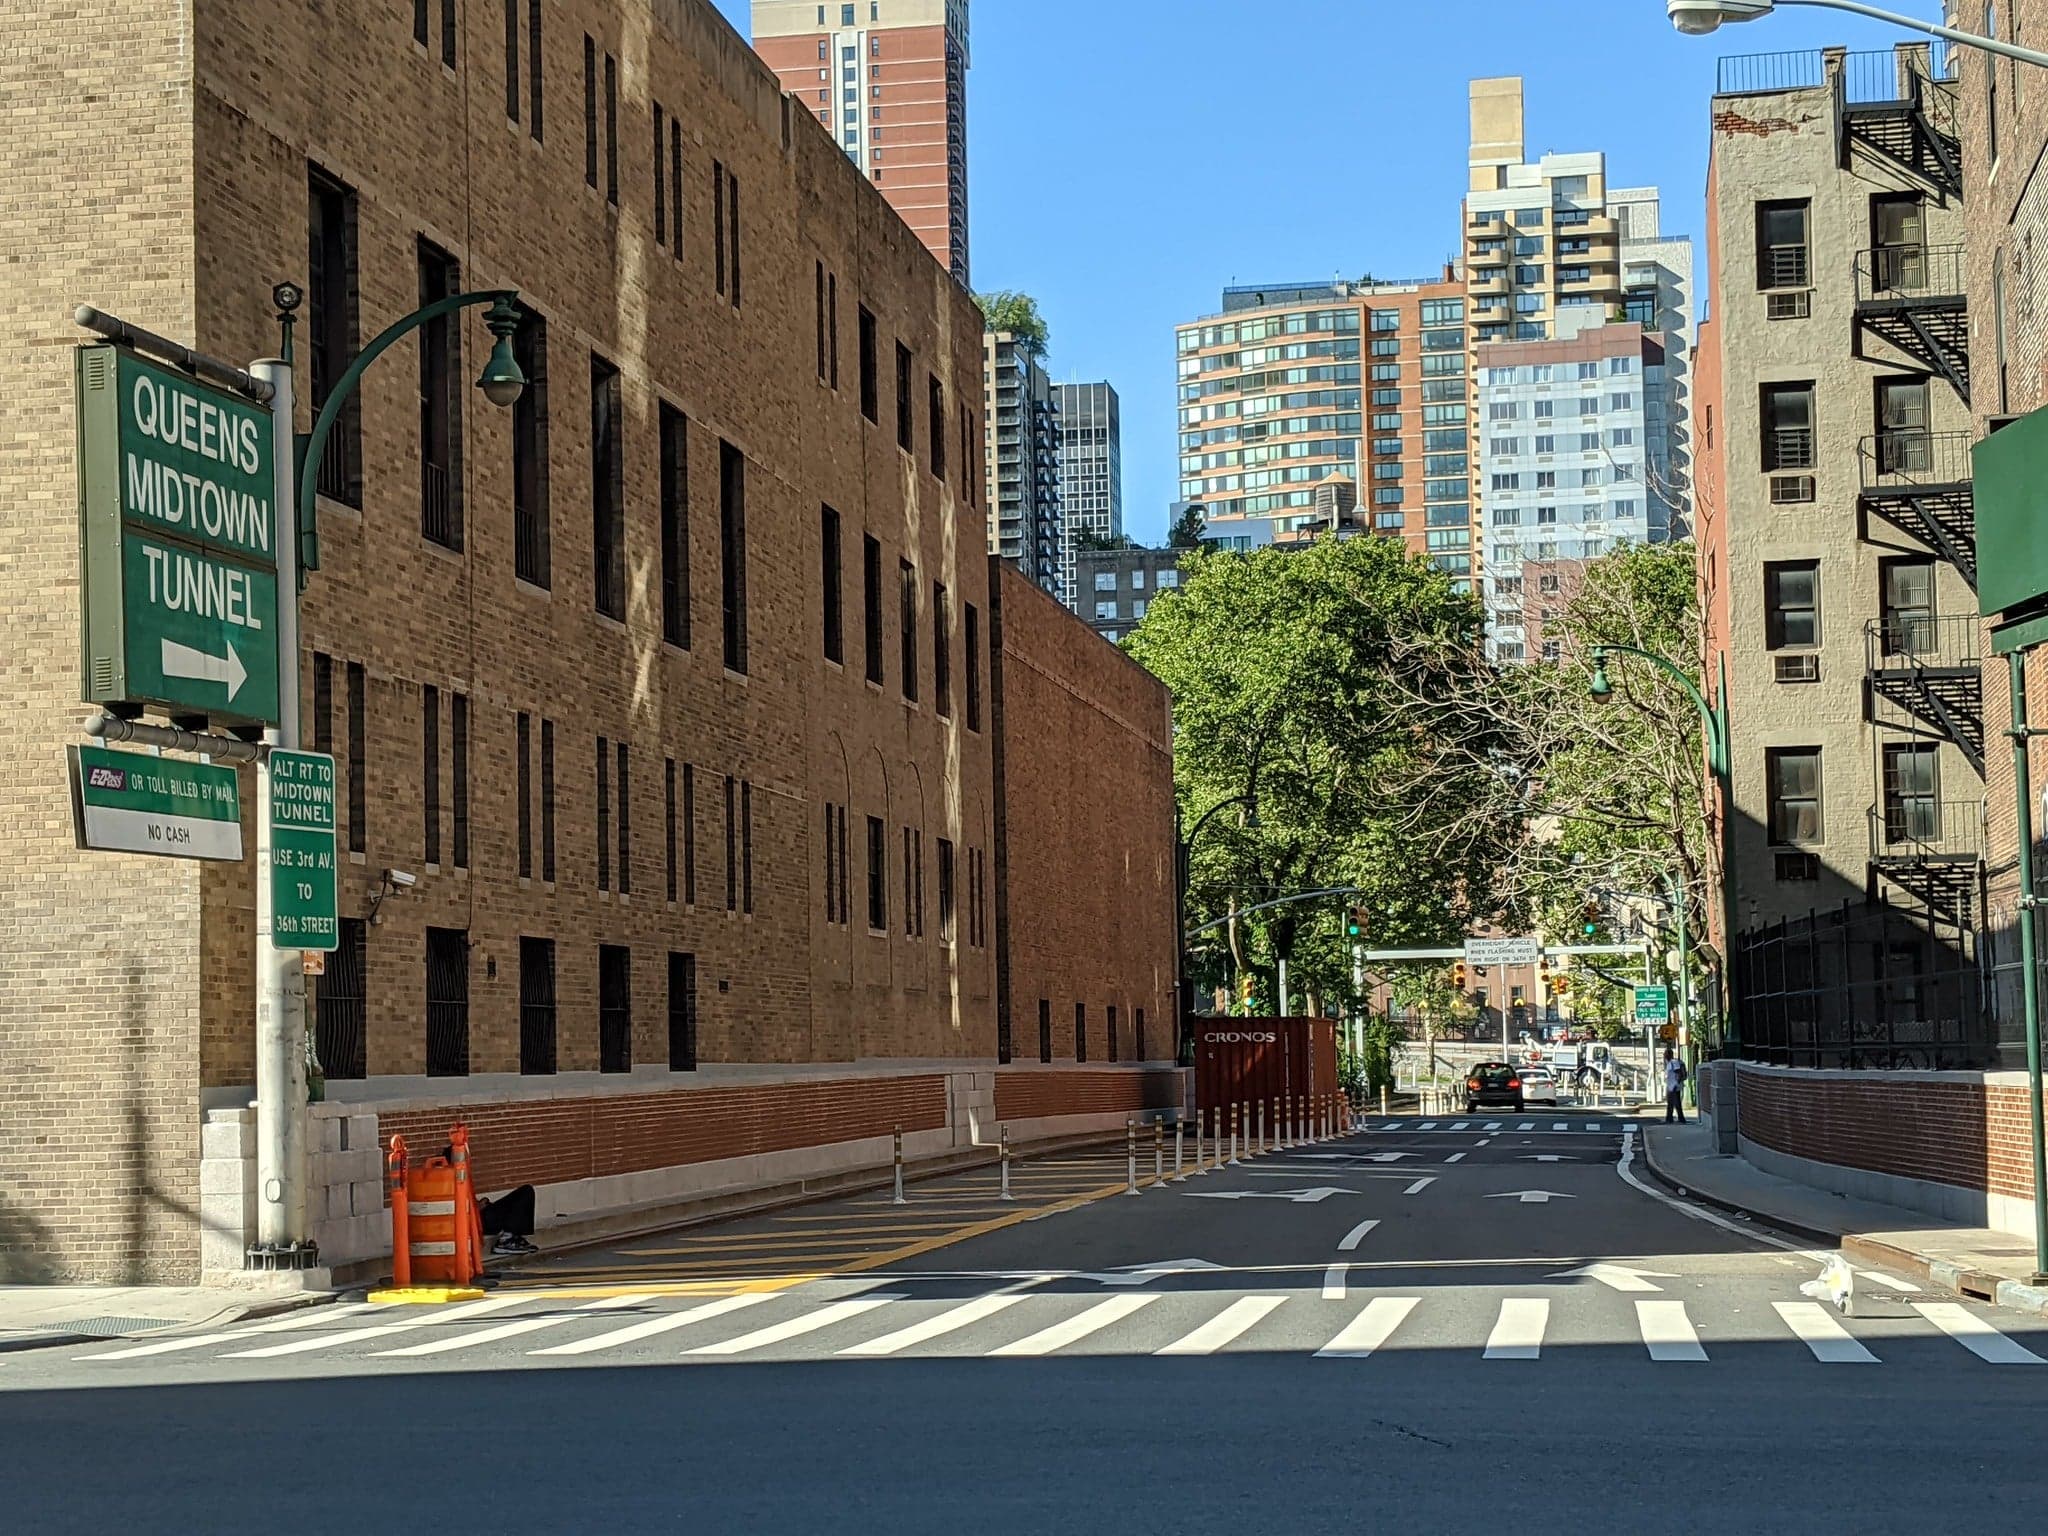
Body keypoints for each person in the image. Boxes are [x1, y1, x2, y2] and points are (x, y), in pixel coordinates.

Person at [1663, 1047, 1688, 1125]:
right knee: (1676, 1103)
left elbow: (1678, 1072)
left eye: (1665, 1054)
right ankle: (1680, 1118)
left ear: (1669, 1055)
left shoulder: (1674, 1062)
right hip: (1671, 1085)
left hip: (1674, 1086)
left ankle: (1669, 1118)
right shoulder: (1670, 1063)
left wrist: (1676, 1083)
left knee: (1671, 1103)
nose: (1664, 1056)